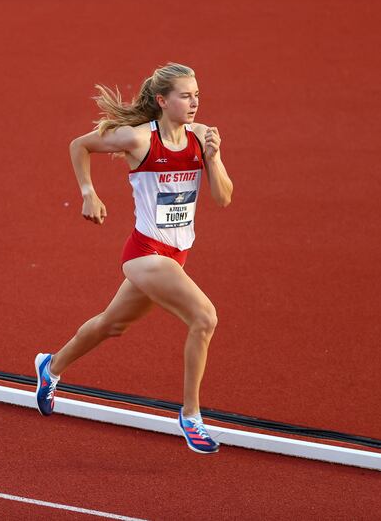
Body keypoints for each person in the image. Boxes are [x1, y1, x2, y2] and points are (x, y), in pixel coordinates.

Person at [35, 62, 233, 454]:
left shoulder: (202, 137)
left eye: (197, 95)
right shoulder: (139, 139)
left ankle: (50, 366)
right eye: (185, 95)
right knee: (204, 317)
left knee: (111, 325)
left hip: (177, 254)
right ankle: (190, 415)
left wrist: (213, 158)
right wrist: (88, 192)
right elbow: (80, 144)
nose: (194, 102)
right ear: (162, 100)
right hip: (144, 253)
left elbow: (223, 197)